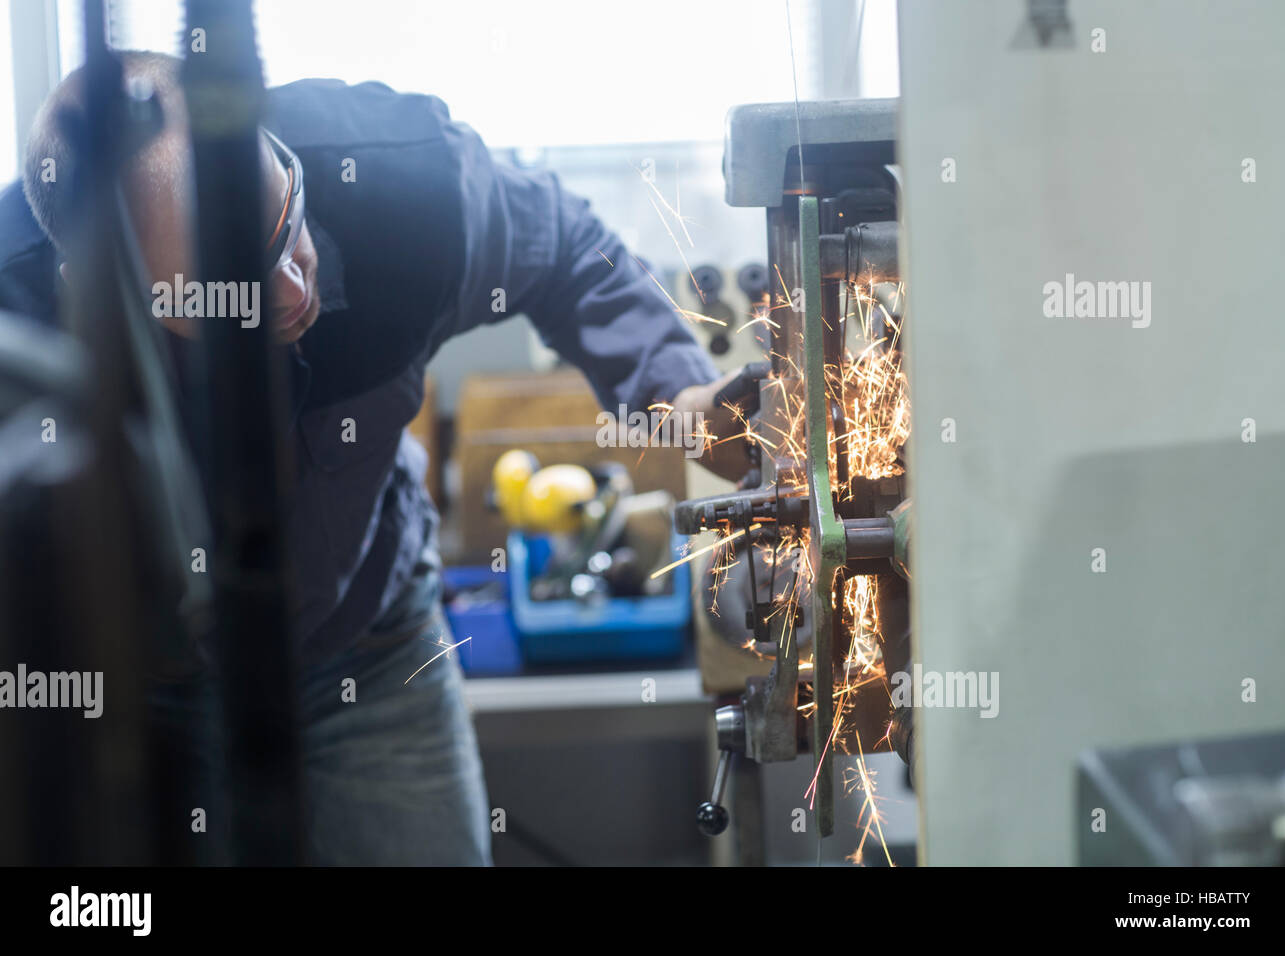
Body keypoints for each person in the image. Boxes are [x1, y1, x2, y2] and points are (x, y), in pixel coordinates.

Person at [0, 51, 745, 865]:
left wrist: (681, 403)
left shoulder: (401, 188)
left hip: (369, 647)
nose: (292, 290)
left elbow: (566, 250)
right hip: (142, 691)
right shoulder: (20, 322)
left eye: (285, 227)